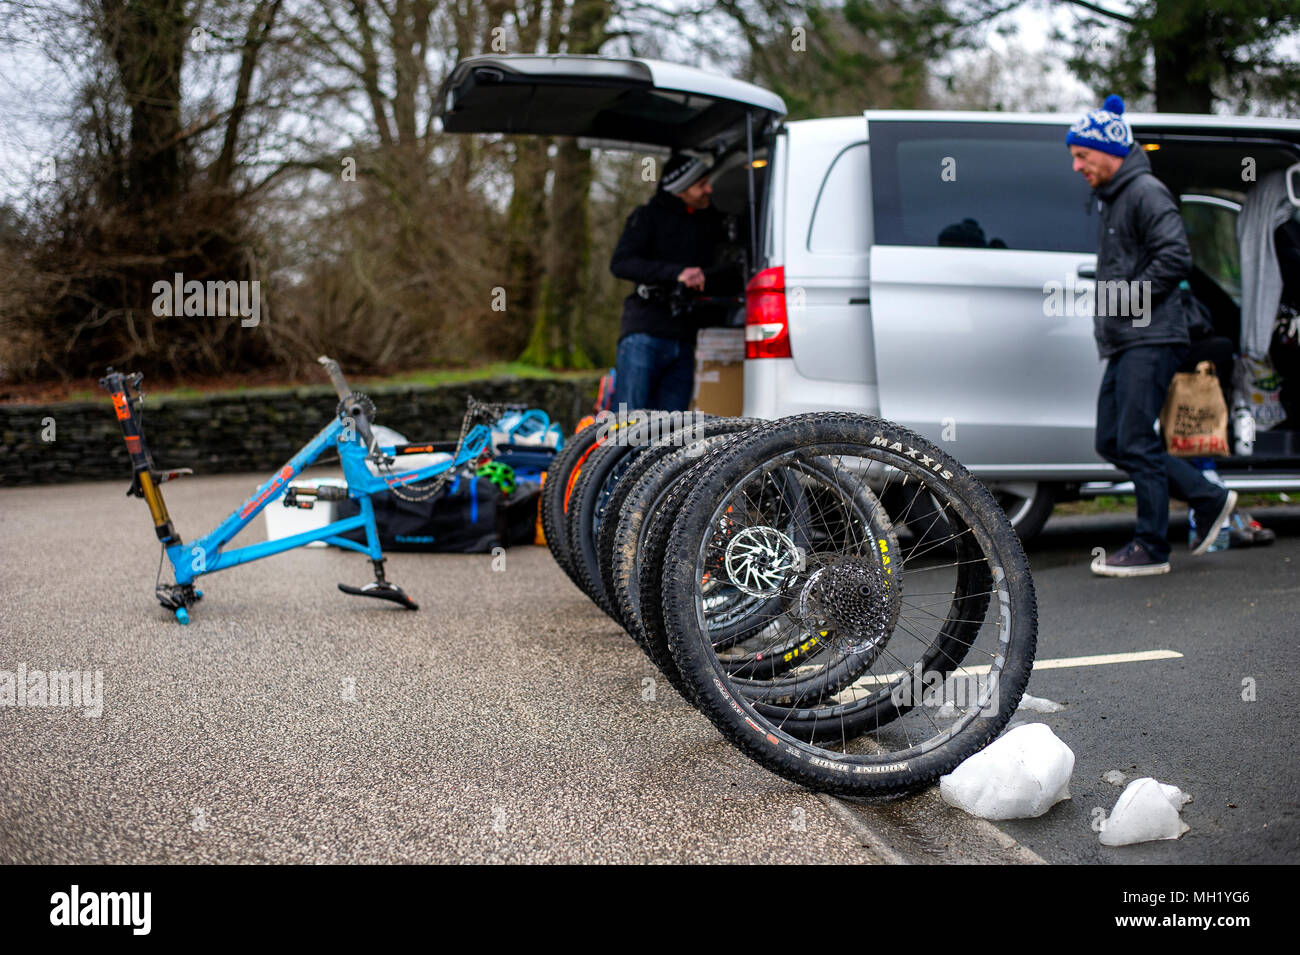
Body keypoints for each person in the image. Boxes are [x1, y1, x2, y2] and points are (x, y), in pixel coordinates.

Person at [1066, 94, 1237, 577]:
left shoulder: (1144, 191)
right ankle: (1209, 496)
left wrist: (1124, 300)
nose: (1077, 166)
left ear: (1109, 150)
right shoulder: (1116, 198)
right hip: (1127, 339)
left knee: (1136, 439)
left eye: (1082, 155)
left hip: (1152, 335)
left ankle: (1151, 546)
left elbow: (1175, 258)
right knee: (1112, 440)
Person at [609, 152, 739, 412]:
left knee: (672, 429)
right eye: (701, 184)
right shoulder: (646, 217)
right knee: (629, 421)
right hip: (644, 334)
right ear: (681, 189)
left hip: (686, 340)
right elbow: (620, 264)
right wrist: (676, 273)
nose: (709, 190)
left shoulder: (713, 222)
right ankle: (619, 454)